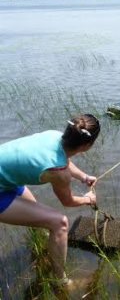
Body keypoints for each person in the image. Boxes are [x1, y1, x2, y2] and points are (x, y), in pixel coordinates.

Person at [0, 114, 100, 286]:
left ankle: (45, 247)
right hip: (3, 187)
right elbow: (68, 202)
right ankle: (62, 282)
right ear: (86, 146)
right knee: (60, 223)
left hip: (6, 180)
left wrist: (83, 177)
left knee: (37, 213)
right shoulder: (58, 172)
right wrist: (87, 199)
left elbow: (63, 159)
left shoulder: (54, 135)